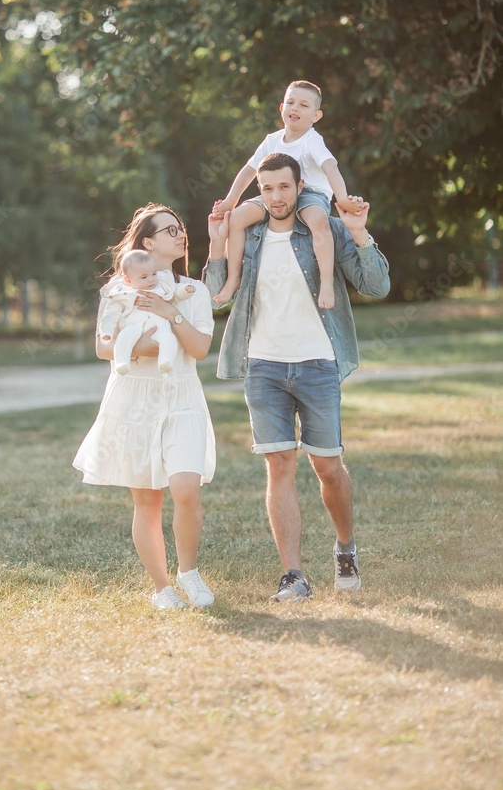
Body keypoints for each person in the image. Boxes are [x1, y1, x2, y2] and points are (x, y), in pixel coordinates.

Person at [203, 153, 390, 602]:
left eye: (283, 187)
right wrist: (214, 243)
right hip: (263, 366)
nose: (275, 197)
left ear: (299, 184)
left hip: (318, 363)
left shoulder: (324, 229)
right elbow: (213, 301)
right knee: (279, 464)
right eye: (266, 189)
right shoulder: (247, 235)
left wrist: (360, 230)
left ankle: (345, 547)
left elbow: (377, 286)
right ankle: (294, 575)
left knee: (327, 466)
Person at [73, 204, 216, 610]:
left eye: (181, 229)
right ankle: (162, 588)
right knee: (147, 499)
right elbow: (104, 346)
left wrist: (170, 315)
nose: (180, 235)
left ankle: (189, 574)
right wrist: (147, 346)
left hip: (182, 395)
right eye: (169, 230)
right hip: (134, 397)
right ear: (148, 242)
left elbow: (200, 348)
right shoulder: (120, 290)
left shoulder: (193, 291)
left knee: (186, 488)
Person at [212, 80, 363, 309]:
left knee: (319, 221)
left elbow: (330, 167)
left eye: (304, 105)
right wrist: (231, 201)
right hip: (276, 193)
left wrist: (342, 199)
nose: (295, 108)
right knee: (236, 218)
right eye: (290, 102)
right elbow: (249, 171)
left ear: (316, 116)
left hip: (312, 193)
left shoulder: (312, 140)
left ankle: (326, 281)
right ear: (282, 108)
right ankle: (234, 278)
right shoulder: (272, 140)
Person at [99, 249, 196, 376]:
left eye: (154, 274)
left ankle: (165, 361)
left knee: (168, 338)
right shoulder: (123, 292)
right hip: (133, 326)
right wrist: (106, 331)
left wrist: (185, 290)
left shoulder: (161, 285)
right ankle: (122, 363)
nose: (151, 279)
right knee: (123, 339)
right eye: (144, 277)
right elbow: (110, 314)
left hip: (159, 327)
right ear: (128, 280)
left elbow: (175, 291)